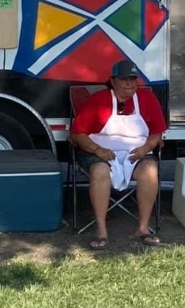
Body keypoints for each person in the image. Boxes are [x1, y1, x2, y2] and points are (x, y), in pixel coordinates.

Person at [69, 60, 166, 249]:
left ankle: (143, 228)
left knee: (150, 170)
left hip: (135, 153)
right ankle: (101, 230)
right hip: (100, 152)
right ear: (113, 81)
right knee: (99, 171)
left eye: (133, 79)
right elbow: (77, 133)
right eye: (124, 79)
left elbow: (157, 132)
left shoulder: (147, 99)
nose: (129, 84)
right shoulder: (98, 100)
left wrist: (146, 149)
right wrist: (98, 150)